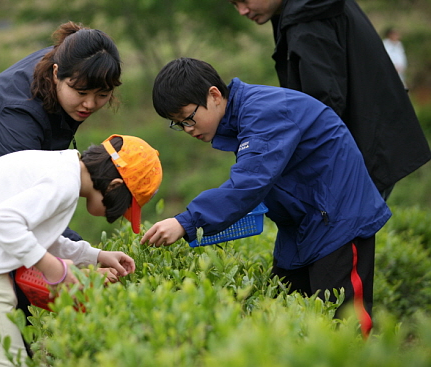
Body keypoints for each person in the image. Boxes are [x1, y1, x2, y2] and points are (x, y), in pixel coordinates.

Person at [142, 57, 392, 337]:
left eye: (188, 118)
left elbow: (251, 181)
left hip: (338, 222)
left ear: (214, 95)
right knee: (283, 315)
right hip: (304, 225)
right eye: (178, 124)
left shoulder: (265, 111)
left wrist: (186, 221)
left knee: (343, 328)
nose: (188, 129)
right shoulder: (243, 117)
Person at [0, 21, 122, 366]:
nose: (90, 104)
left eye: (102, 96)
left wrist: (85, 257)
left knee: (21, 284)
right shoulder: (19, 113)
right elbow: (23, 214)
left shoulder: (72, 64)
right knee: (1, 297)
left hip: (2, 191)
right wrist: (73, 266)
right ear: (58, 74)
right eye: (81, 93)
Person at [0, 134, 163, 367]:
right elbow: (1, 222)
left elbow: (40, 236)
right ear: (114, 185)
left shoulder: (61, 169)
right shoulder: (63, 182)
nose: (115, 216)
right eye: (122, 207)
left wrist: (96, 256)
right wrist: (54, 269)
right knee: (8, 362)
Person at [227, 0, 430, 200]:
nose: (242, 11)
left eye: (244, 1)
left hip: (359, 150)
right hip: (373, 138)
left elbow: (323, 104)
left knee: (344, 229)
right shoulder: (309, 6)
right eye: (234, 5)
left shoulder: (309, 16)